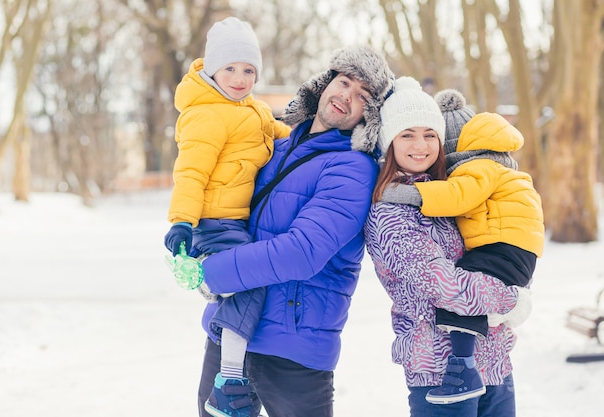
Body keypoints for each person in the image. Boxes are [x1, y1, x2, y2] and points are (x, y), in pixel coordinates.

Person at [194, 45, 392, 417]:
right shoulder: (274, 147)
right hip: (230, 331)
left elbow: (301, 252)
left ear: (371, 114)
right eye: (344, 82)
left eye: (362, 96)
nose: (346, 96)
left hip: (293, 349)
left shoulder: (353, 169)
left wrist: (212, 272)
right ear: (325, 83)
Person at [364, 76, 532, 417]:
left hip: (495, 364)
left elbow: (498, 246)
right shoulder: (390, 211)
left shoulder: (453, 195)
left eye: (429, 134)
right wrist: (512, 298)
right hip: (439, 374)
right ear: (389, 142)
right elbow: (443, 285)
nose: (420, 145)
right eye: (407, 134)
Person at [162, 16, 291, 417]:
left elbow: (282, 134)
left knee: (243, 289)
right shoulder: (206, 113)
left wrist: (318, 139)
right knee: (251, 284)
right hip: (215, 222)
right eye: (231, 69)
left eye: (248, 70)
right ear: (213, 69)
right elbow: (190, 173)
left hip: (238, 222)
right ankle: (229, 378)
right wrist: (181, 221)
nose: (240, 78)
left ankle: (216, 293)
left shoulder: (253, 109)